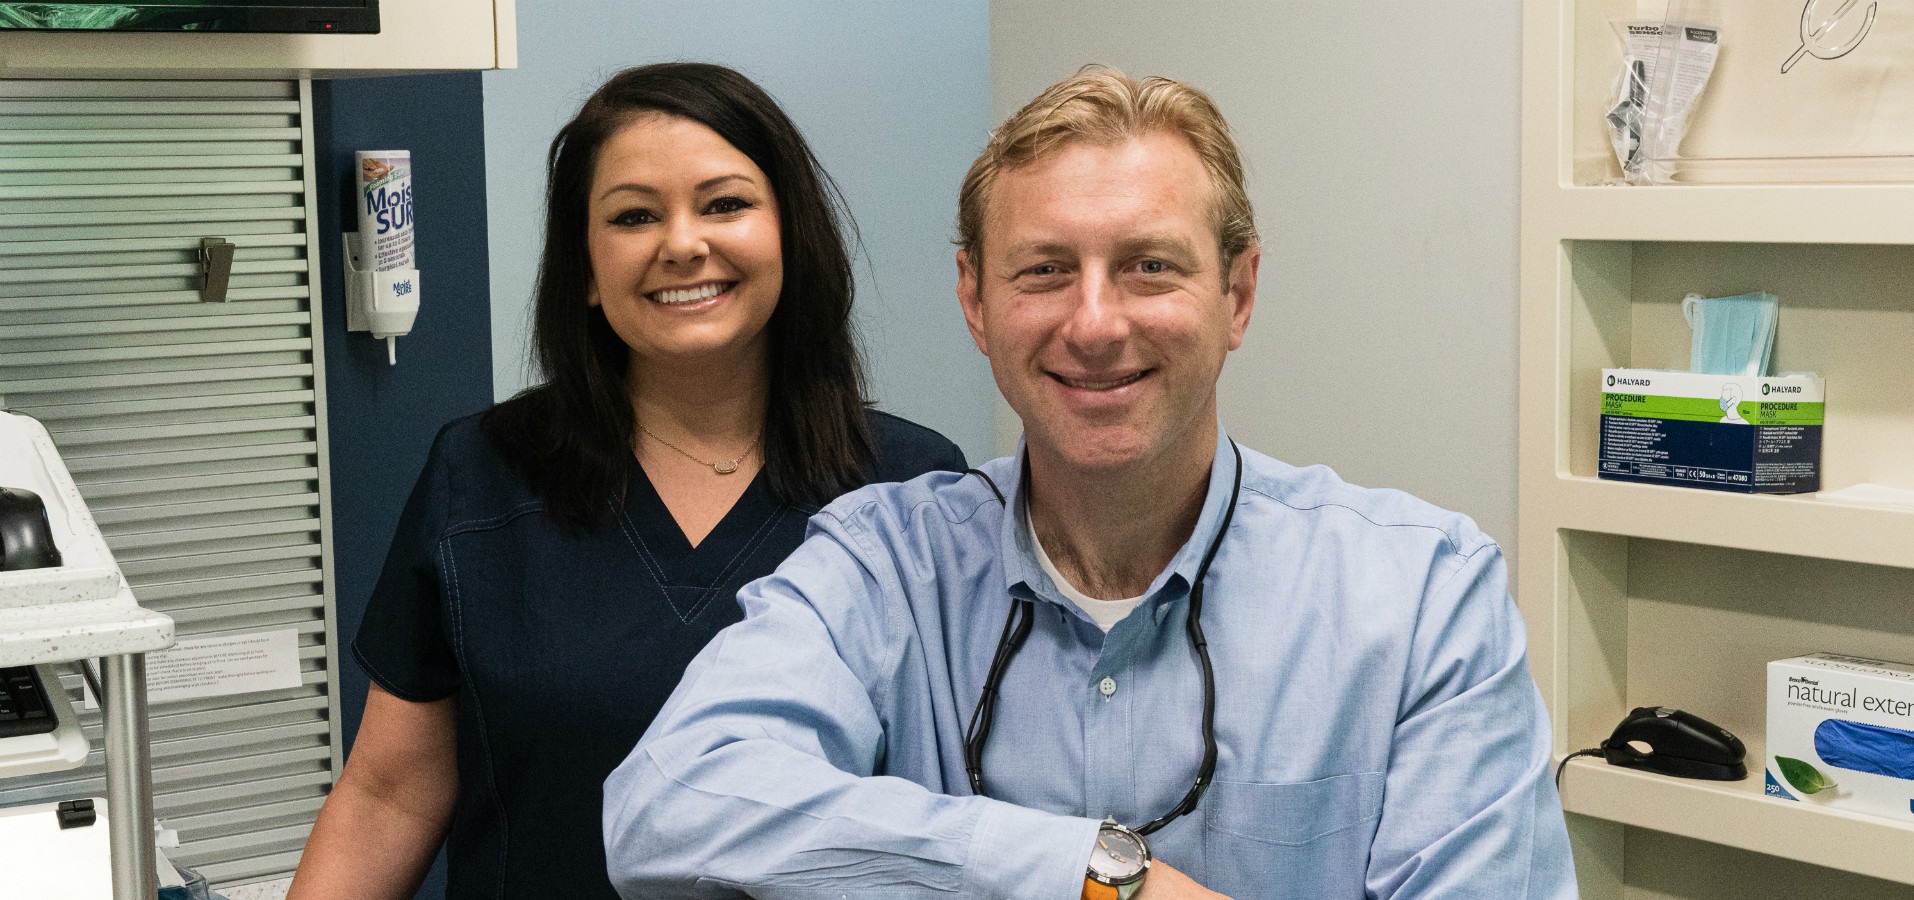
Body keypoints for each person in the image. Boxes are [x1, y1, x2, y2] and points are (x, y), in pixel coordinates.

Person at [605, 67, 1577, 899]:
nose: (1096, 322)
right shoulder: (880, 566)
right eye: (1044, 272)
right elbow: (668, 803)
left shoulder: (1419, 600)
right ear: (976, 302)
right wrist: (1091, 875)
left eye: (1150, 266)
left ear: (1237, 295)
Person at [287, 63, 966, 900]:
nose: (682, 243)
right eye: (634, 216)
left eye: (724, 204)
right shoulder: (482, 478)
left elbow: (958, 810)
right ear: (584, 267)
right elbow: (388, 795)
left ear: (791, 233)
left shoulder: (912, 492)